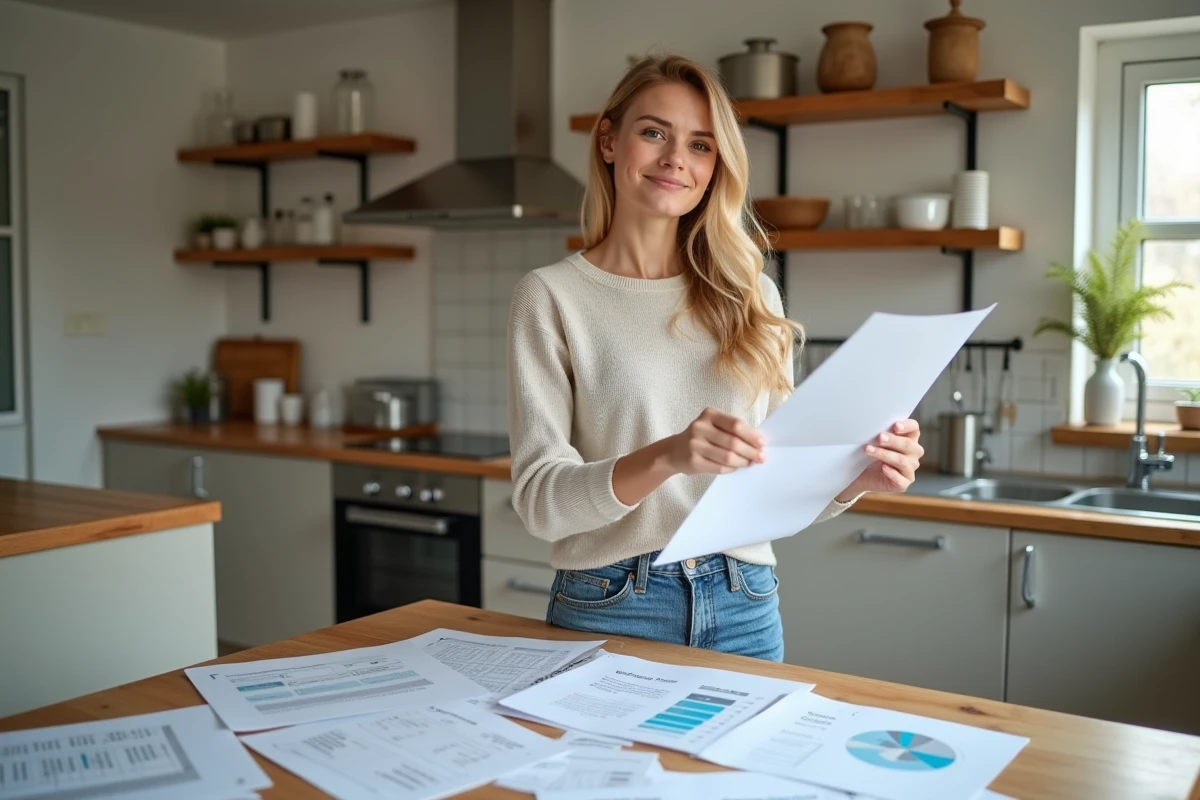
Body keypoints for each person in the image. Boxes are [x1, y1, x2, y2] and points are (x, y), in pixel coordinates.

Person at [506, 54, 924, 663]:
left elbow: (778, 478)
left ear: (715, 167)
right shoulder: (551, 296)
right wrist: (668, 456)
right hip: (612, 599)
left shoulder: (751, 295)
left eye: (700, 145)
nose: (677, 158)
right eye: (655, 133)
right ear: (609, 141)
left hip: (744, 602)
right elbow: (541, 504)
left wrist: (854, 478)